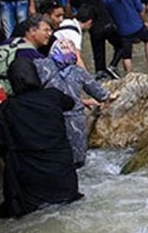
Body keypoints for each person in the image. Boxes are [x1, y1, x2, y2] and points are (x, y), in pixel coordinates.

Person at [0, 57, 81, 218]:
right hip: (60, 168)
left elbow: (2, 144)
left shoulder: (7, 107)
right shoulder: (52, 96)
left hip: (29, 172)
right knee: (67, 207)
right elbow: (70, 103)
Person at [35, 39, 111, 167]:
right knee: (77, 161)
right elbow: (100, 94)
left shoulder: (41, 66)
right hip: (74, 120)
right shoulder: (78, 72)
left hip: (48, 117)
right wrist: (109, 96)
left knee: (50, 157)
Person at [67, 0, 123, 78]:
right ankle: (113, 65)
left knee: (98, 55)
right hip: (107, 23)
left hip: (93, 28)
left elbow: (69, 14)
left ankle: (100, 75)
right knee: (121, 46)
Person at [96, 0, 148, 72]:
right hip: (138, 26)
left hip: (123, 31)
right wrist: (145, 21)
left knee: (126, 56)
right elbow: (141, 10)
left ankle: (129, 75)